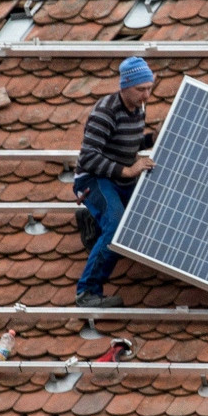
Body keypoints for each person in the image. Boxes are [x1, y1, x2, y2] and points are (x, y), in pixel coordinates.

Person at [73, 56, 156, 307]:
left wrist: (155, 138)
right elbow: (89, 157)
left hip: (117, 177)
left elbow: (126, 142)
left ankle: (95, 222)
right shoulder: (105, 111)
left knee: (151, 208)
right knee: (117, 226)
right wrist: (128, 171)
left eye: (149, 88)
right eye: (140, 89)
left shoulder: (139, 108)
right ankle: (87, 292)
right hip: (94, 178)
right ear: (125, 86)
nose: (146, 95)